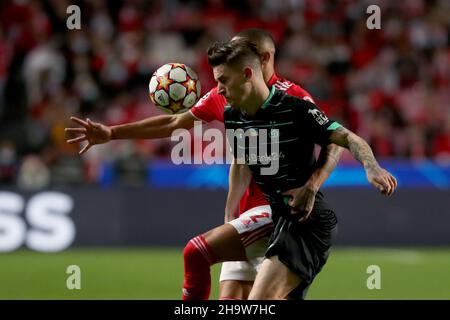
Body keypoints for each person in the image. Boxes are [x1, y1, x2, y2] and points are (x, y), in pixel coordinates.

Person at [65, 29, 342, 300]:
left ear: (264, 58)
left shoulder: (294, 97)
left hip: (280, 215)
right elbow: (176, 124)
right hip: (248, 214)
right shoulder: (226, 95)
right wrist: (112, 133)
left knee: (198, 253)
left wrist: (312, 185)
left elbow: (333, 140)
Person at [206, 38, 397, 299]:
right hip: (280, 220)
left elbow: (346, 138)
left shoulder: (295, 108)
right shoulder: (235, 117)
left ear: (248, 74)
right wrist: (230, 216)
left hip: (307, 223)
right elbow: (241, 164)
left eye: (224, 80)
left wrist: (371, 166)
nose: (218, 89)